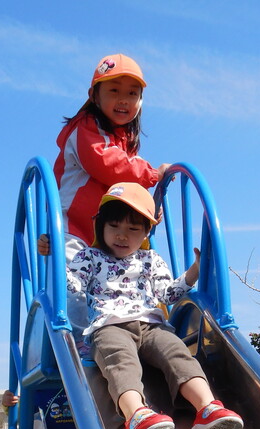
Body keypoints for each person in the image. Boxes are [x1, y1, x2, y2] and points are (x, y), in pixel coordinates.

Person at [61, 182, 244, 429]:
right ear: (100, 225)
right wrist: (54, 258)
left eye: (133, 229)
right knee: (120, 360)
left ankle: (207, 407)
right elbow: (73, 285)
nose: (122, 235)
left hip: (152, 325)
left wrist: (194, 271)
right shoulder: (89, 256)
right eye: (114, 226)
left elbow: (166, 295)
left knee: (177, 352)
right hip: (110, 326)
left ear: (146, 232)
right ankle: (136, 415)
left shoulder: (150, 260)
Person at [51, 53, 171, 344]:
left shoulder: (124, 139)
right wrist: (153, 174)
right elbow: (108, 165)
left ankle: (135, 332)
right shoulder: (85, 129)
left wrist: (147, 207)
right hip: (76, 228)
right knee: (73, 287)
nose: (123, 100)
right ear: (94, 95)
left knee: (125, 282)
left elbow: (127, 186)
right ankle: (78, 346)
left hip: (110, 232)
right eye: (114, 90)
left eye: (132, 93)